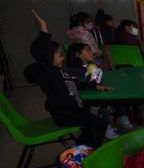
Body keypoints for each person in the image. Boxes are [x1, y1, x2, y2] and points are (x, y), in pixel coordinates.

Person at [26, 10, 111, 147]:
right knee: (98, 123)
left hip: (71, 111)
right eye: (59, 55)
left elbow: (74, 83)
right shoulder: (49, 73)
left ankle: (83, 146)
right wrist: (43, 28)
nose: (62, 57)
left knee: (95, 122)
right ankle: (87, 150)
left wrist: (95, 86)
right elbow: (42, 51)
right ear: (47, 57)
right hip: (64, 116)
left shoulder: (60, 71)